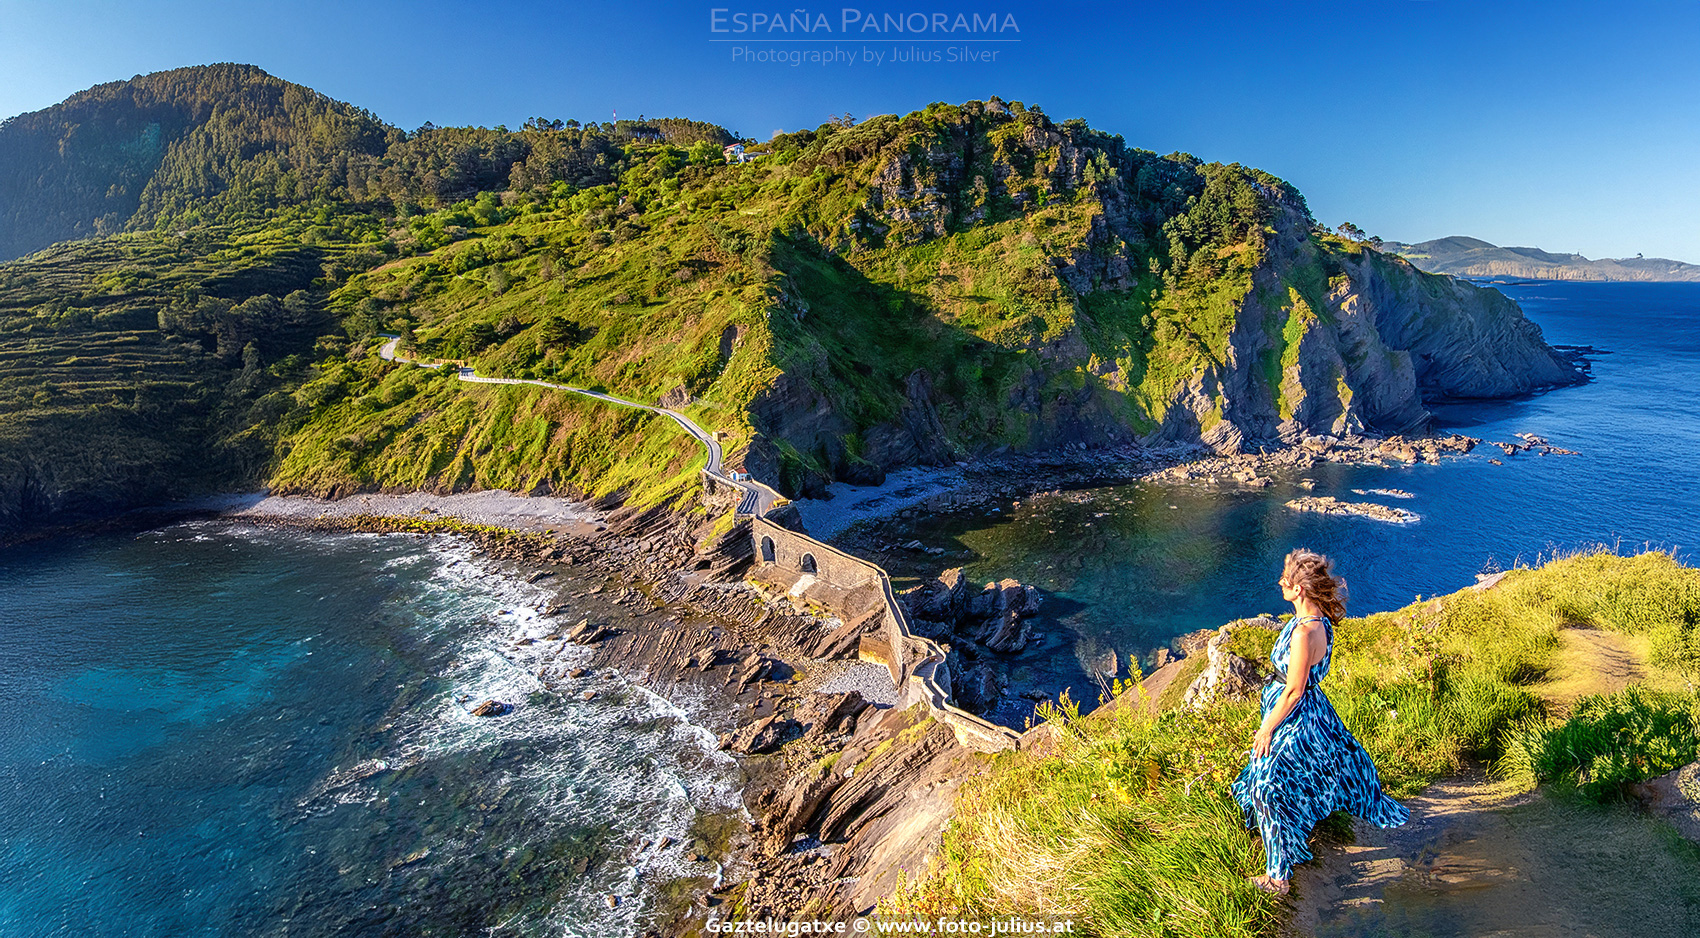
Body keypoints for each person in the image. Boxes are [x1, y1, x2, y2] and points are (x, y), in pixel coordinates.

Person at [1230, 549, 1409, 895]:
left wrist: (1267, 727)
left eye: (1286, 578)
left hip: (1296, 714)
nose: (1280, 582)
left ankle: (1278, 877)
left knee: (1268, 784)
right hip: (1312, 711)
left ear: (1299, 589)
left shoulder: (1303, 633)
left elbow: (1294, 690)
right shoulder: (1319, 620)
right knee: (1285, 776)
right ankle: (1285, 834)